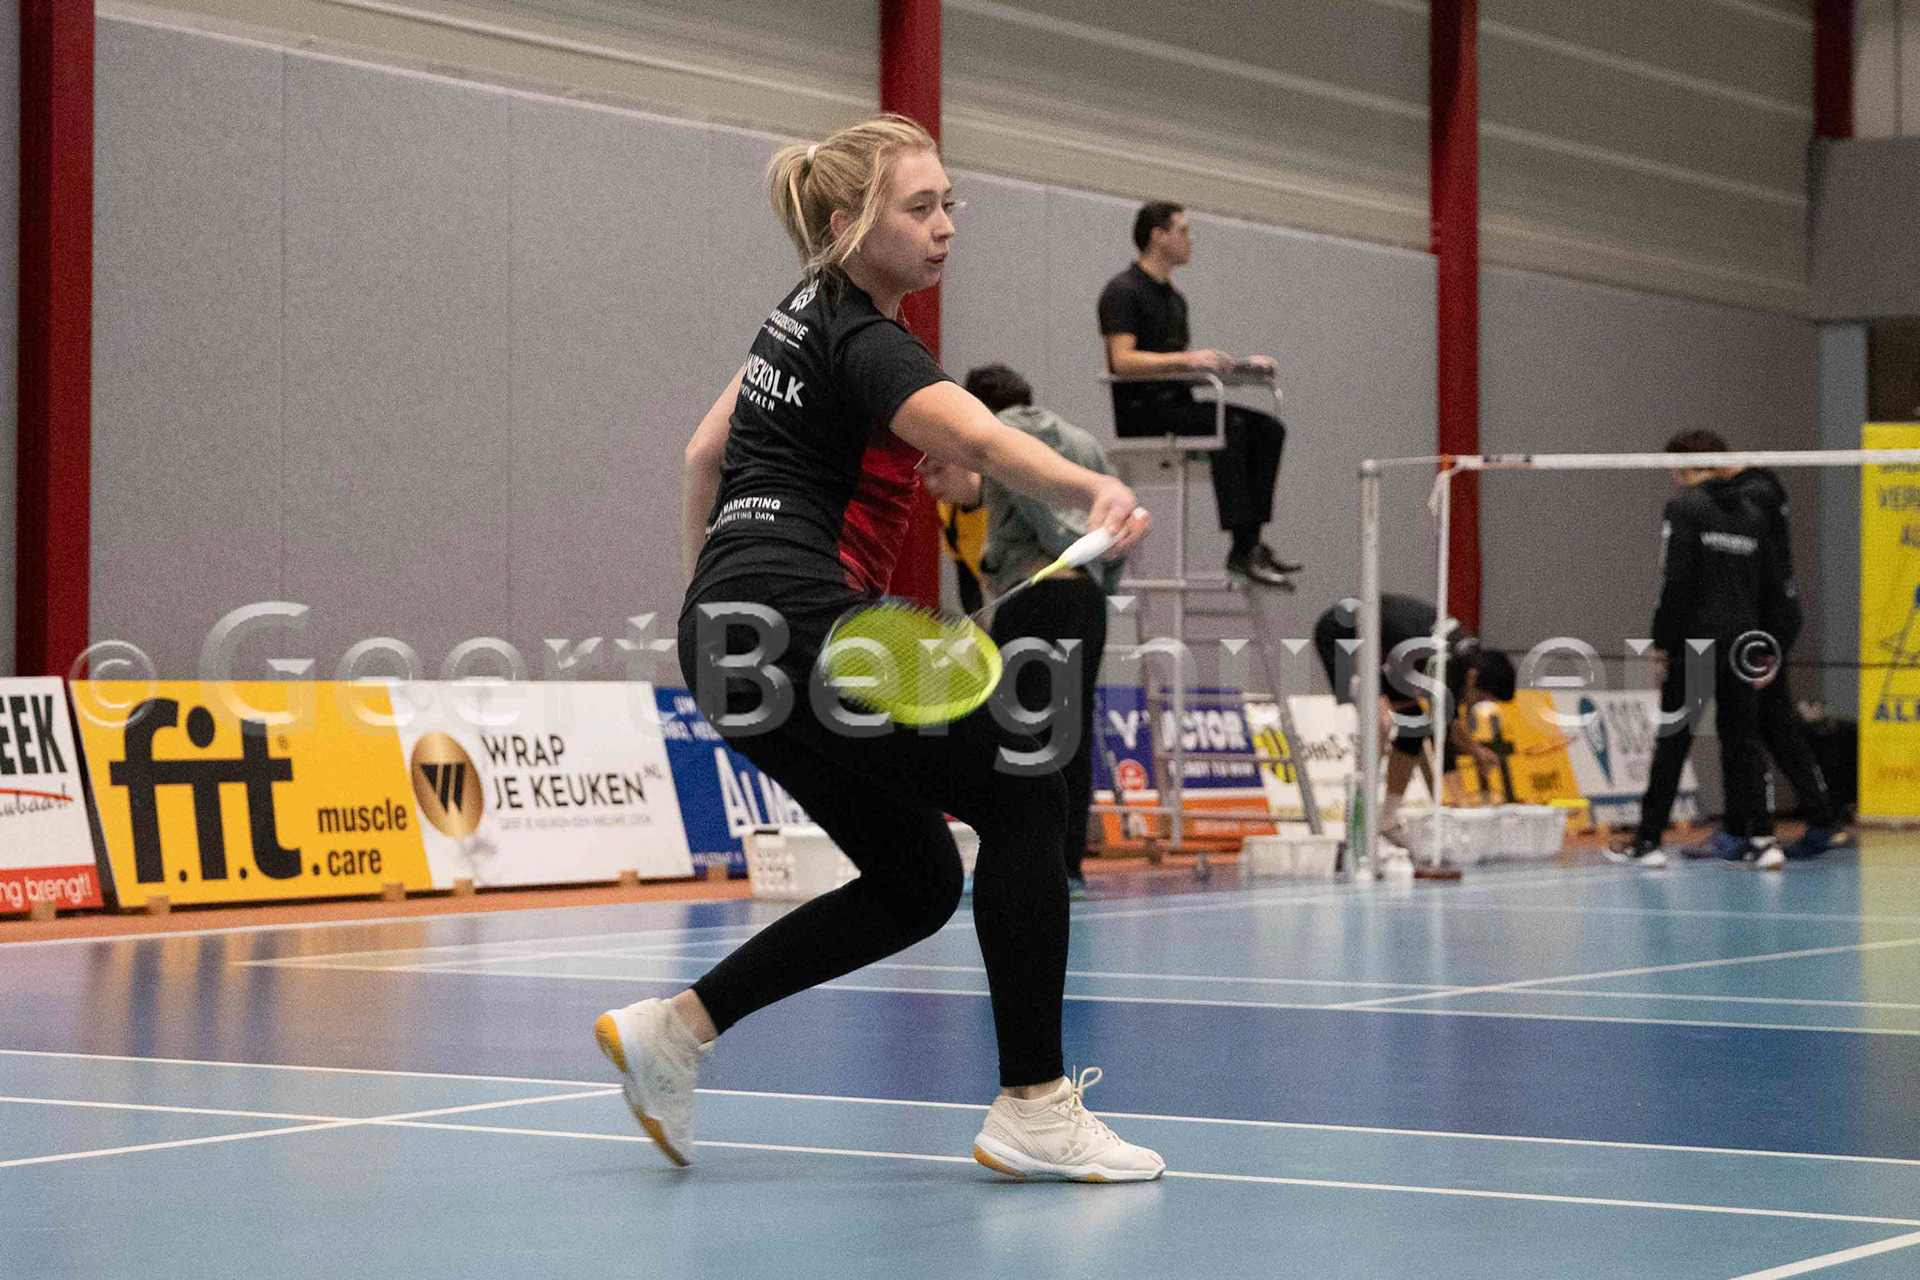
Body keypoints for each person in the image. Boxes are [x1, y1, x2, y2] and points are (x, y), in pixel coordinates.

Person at [596, 114, 1163, 1183]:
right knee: (1024, 783)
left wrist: (717, 603)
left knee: (914, 879)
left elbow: (702, 455)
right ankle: (1035, 1105)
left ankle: (677, 1030)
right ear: (848, 225)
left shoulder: (790, 322)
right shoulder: (865, 336)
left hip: (723, 635)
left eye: (950, 203)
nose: (946, 225)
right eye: (920, 207)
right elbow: (978, 435)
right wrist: (1089, 485)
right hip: (799, 619)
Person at [917, 363, 1125, 900]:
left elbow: (1043, 517)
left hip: (1037, 595)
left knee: (1017, 738)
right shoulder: (1084, 442)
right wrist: (1096, 576)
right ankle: (1066, 865)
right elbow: (1117, 526)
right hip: (1087, 601)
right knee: (1069, 735)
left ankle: (1021, 861)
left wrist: (1063, 553)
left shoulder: (1006, 438)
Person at [1097, 201, 1295, 587]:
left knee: (1269, 428)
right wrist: (1188, 359)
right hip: (1141, 410)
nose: (1191, 240)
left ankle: (1250, 544)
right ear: (1158, 236)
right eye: (1183, 231)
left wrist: (1236, 366)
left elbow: (1183, 364)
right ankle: (1243, 549)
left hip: (1179, 404)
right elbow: (1122, 361)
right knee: (1231, 427)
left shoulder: (1175, 300)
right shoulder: (1122, 291)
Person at [1612, 430, 1784, 869]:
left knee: (1674, 739)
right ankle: (1763, 840)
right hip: (1744, 640)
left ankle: (1648, 842)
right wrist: (1765, 644)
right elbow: (1770, 585)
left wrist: (1661, 644)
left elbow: (1676, 583)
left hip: (1698, 641)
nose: (1669, 475)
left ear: (1683, 464)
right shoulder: (1753, 514)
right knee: (1743, 741)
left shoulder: (1684, 509)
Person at [1312, 594, 1516, 851]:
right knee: (1380, 721)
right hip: (1341, 638)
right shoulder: (1447, 666)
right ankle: (1360, 822)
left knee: (1414, 727)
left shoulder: (1464, 659)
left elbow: (1444, 727)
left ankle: (1387, 820)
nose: (1474, 705)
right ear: (1473, 678)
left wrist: (1474, 751)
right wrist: (1459, 809)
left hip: (1383, 650)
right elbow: (1444, 742)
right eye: (1480, 698)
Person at [1731, 460, 1848, 858]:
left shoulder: (1752, 505)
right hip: (1764, 629)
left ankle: (1751, 831)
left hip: (1758, 633)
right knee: (1778, 727)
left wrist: (1766, 647)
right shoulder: (1765, 505)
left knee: (1744, 729)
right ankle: (1821, 817)